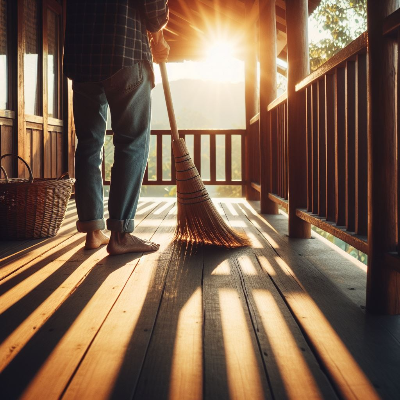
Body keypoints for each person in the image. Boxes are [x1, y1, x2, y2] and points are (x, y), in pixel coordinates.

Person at [63, 0, 170, 255]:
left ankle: (92, 230)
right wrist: (159, 36)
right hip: (125, 50)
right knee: (132, 142)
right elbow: (153, 6)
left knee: (89, 144)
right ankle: (120, 234)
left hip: (83, 59)